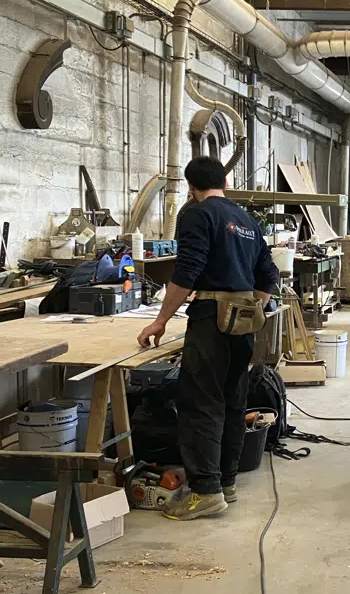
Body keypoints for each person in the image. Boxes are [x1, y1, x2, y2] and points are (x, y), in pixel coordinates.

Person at [138, 156, 279, 521]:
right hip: (243, 320)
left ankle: (204, 492)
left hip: (211, 317)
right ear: (225, 183)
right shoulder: (247, 219)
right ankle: (225, 483)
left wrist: (160, 321)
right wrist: (250, 307)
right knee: (233, 400)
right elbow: (269, 274)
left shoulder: (197, 214)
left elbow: (187, 271)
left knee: (201, 402)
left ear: (191, 187)